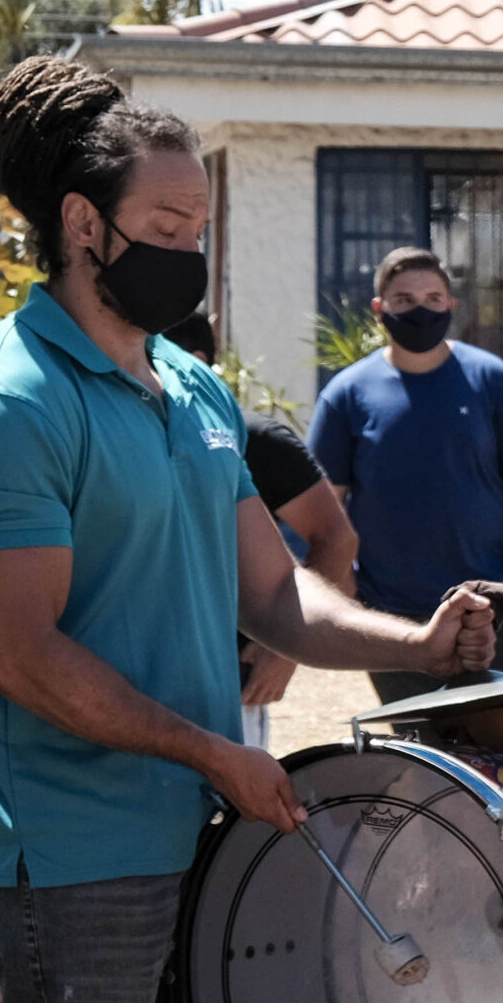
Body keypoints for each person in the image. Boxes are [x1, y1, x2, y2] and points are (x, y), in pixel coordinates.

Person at [0, 56, 494, 1003]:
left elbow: (274, 590)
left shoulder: (186, 390)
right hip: (72, 858)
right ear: (85, 227)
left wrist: (416, 638)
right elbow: (15, 656)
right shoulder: (8, 403)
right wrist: (207, 749)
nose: (193, 257)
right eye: (170, 233)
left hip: (194, 834)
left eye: (201, 231)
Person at [311, 247, 503, 702]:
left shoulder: (491, 379)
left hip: (492, 605)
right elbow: (325, 503)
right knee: (419, 755)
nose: (420, 309)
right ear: (379, 309)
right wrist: (345, 586)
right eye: (403, 299)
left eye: (433, 298)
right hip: (394, 617)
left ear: (451, 306)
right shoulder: (346, 394)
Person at [166, 314, 359, 749]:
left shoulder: (254, 440)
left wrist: (284, 650)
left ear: (193, 361)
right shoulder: (112, 435)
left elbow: (336, 538)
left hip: (230, 682)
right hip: (131, 676)